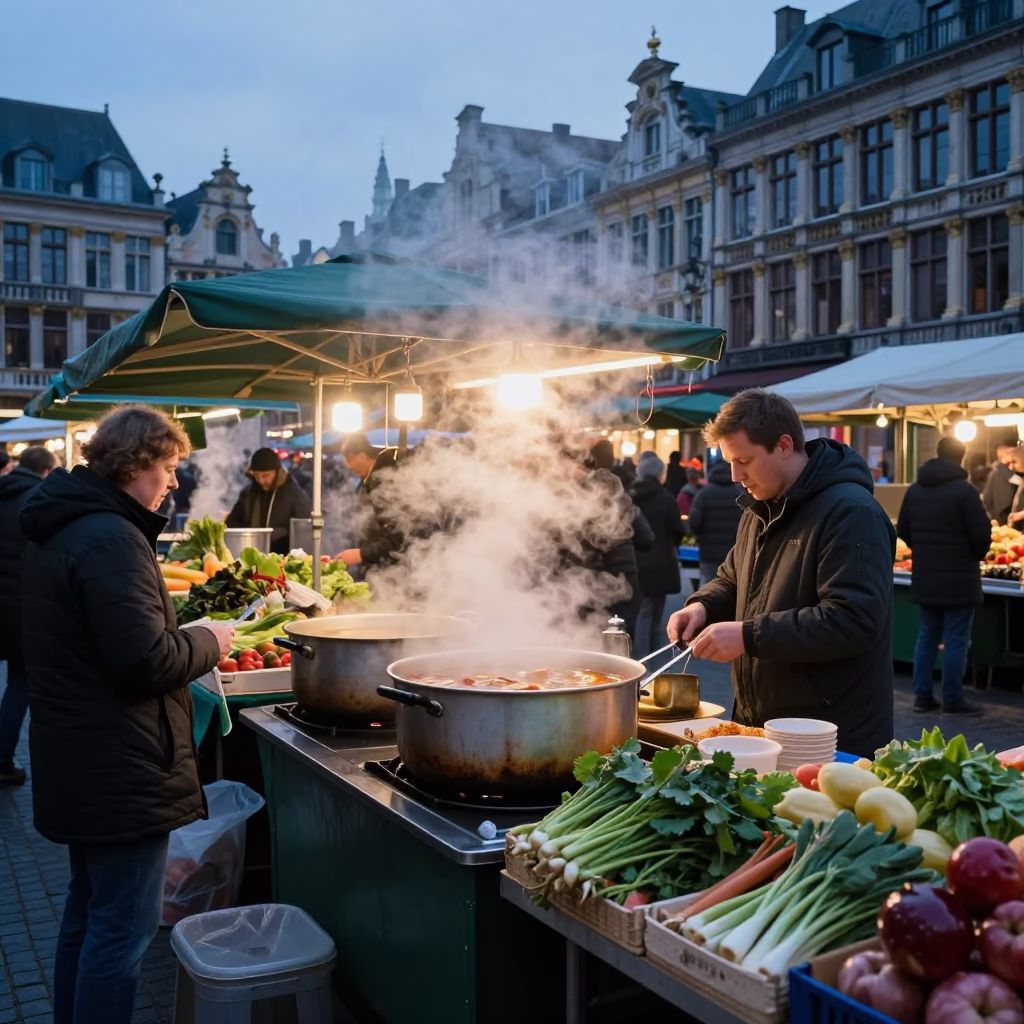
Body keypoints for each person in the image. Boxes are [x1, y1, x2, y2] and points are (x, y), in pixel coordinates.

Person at [18, 405, 234, 1024]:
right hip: (122, 764)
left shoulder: (63, 524)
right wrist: (208, 640)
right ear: (135, 463)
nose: (172, 482)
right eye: (167, 467)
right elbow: (144, 660)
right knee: (120, 933)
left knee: (87, 912)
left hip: (78, 754)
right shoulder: (111, 536)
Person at [666, 389, 896, 759]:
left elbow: (853, 620)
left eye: (744, 460)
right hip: (763, 725)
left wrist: (748, 635)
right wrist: (701, 606)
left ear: (785, 445)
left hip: (830, 735)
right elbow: (731, 578)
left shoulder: (852, 513)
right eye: (729, 462)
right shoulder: (757, 509)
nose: (735, 476)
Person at [896, 436, 991, 717]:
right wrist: (972, 554)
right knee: (956, 639)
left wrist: (925, 551)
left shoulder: (915, 490)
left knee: (926, 636)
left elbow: (903, 529)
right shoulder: (965, 491)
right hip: (960, 579)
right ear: (962, 457)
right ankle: (953, 698)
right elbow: (981, 536)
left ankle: (922, 696)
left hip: (926, 577)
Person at [0, 446, 58, 785]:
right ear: (46, 472)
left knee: (17, 684)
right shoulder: (38, 499)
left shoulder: (4, 491)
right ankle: (3, 760)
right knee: (22, 684)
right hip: (22, 607)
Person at [629, 455, 685, 657]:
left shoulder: (629, 496)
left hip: (635, 561)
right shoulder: (666, 498)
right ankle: (650, 655)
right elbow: (678, 529)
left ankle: (639, 654)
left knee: (639, 612)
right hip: (661, 561)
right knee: (654, 614)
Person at [225, 446, 312, 554]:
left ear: (277, 472)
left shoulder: (294, 494)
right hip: (250, 556)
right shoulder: (248, 494)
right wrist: (249, 533)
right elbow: (231, 522)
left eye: (265, 476)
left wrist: (281, 534)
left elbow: (304, 528)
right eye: (256, 475)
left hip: (283, 558)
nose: (261, 481)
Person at [687, 457, 744, 587]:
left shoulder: (703, 494)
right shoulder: (739, 494)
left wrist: (699, 535)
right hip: (734, 550)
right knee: (733, 589)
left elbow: (694, 523)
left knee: (709, 587)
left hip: (708, 551)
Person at [983, 442, 1019, 525]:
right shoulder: (1002, 469)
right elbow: (1018, 481)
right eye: (1010, 452)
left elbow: (987, 495)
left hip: (999, 513)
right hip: (1004, 513)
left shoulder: (995, 471)